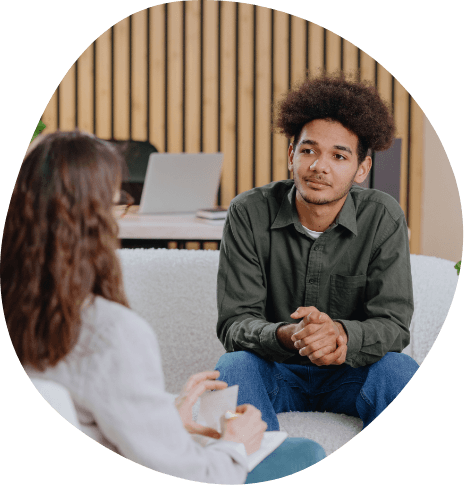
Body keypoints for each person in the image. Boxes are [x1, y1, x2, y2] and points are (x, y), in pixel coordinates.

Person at [0, 130, 325, 484]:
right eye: (116, 204)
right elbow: (186, 472)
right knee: (304, 452)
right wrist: (235, 446)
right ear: (96, 221)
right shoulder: (108, 331)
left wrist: (164, 417)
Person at [215, 74, 420, 432]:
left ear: (361, 169)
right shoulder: (248, 212)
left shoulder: (383, 217)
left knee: (400, 371)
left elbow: (393, 325)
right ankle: (269, 467)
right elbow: (235, 324)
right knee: (233, 368)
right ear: (292, 155)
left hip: (352, 374)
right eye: (308, 150)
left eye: (338, 156)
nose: (319, 167)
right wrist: (288, 335)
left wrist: (340, 334)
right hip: (276, 372)